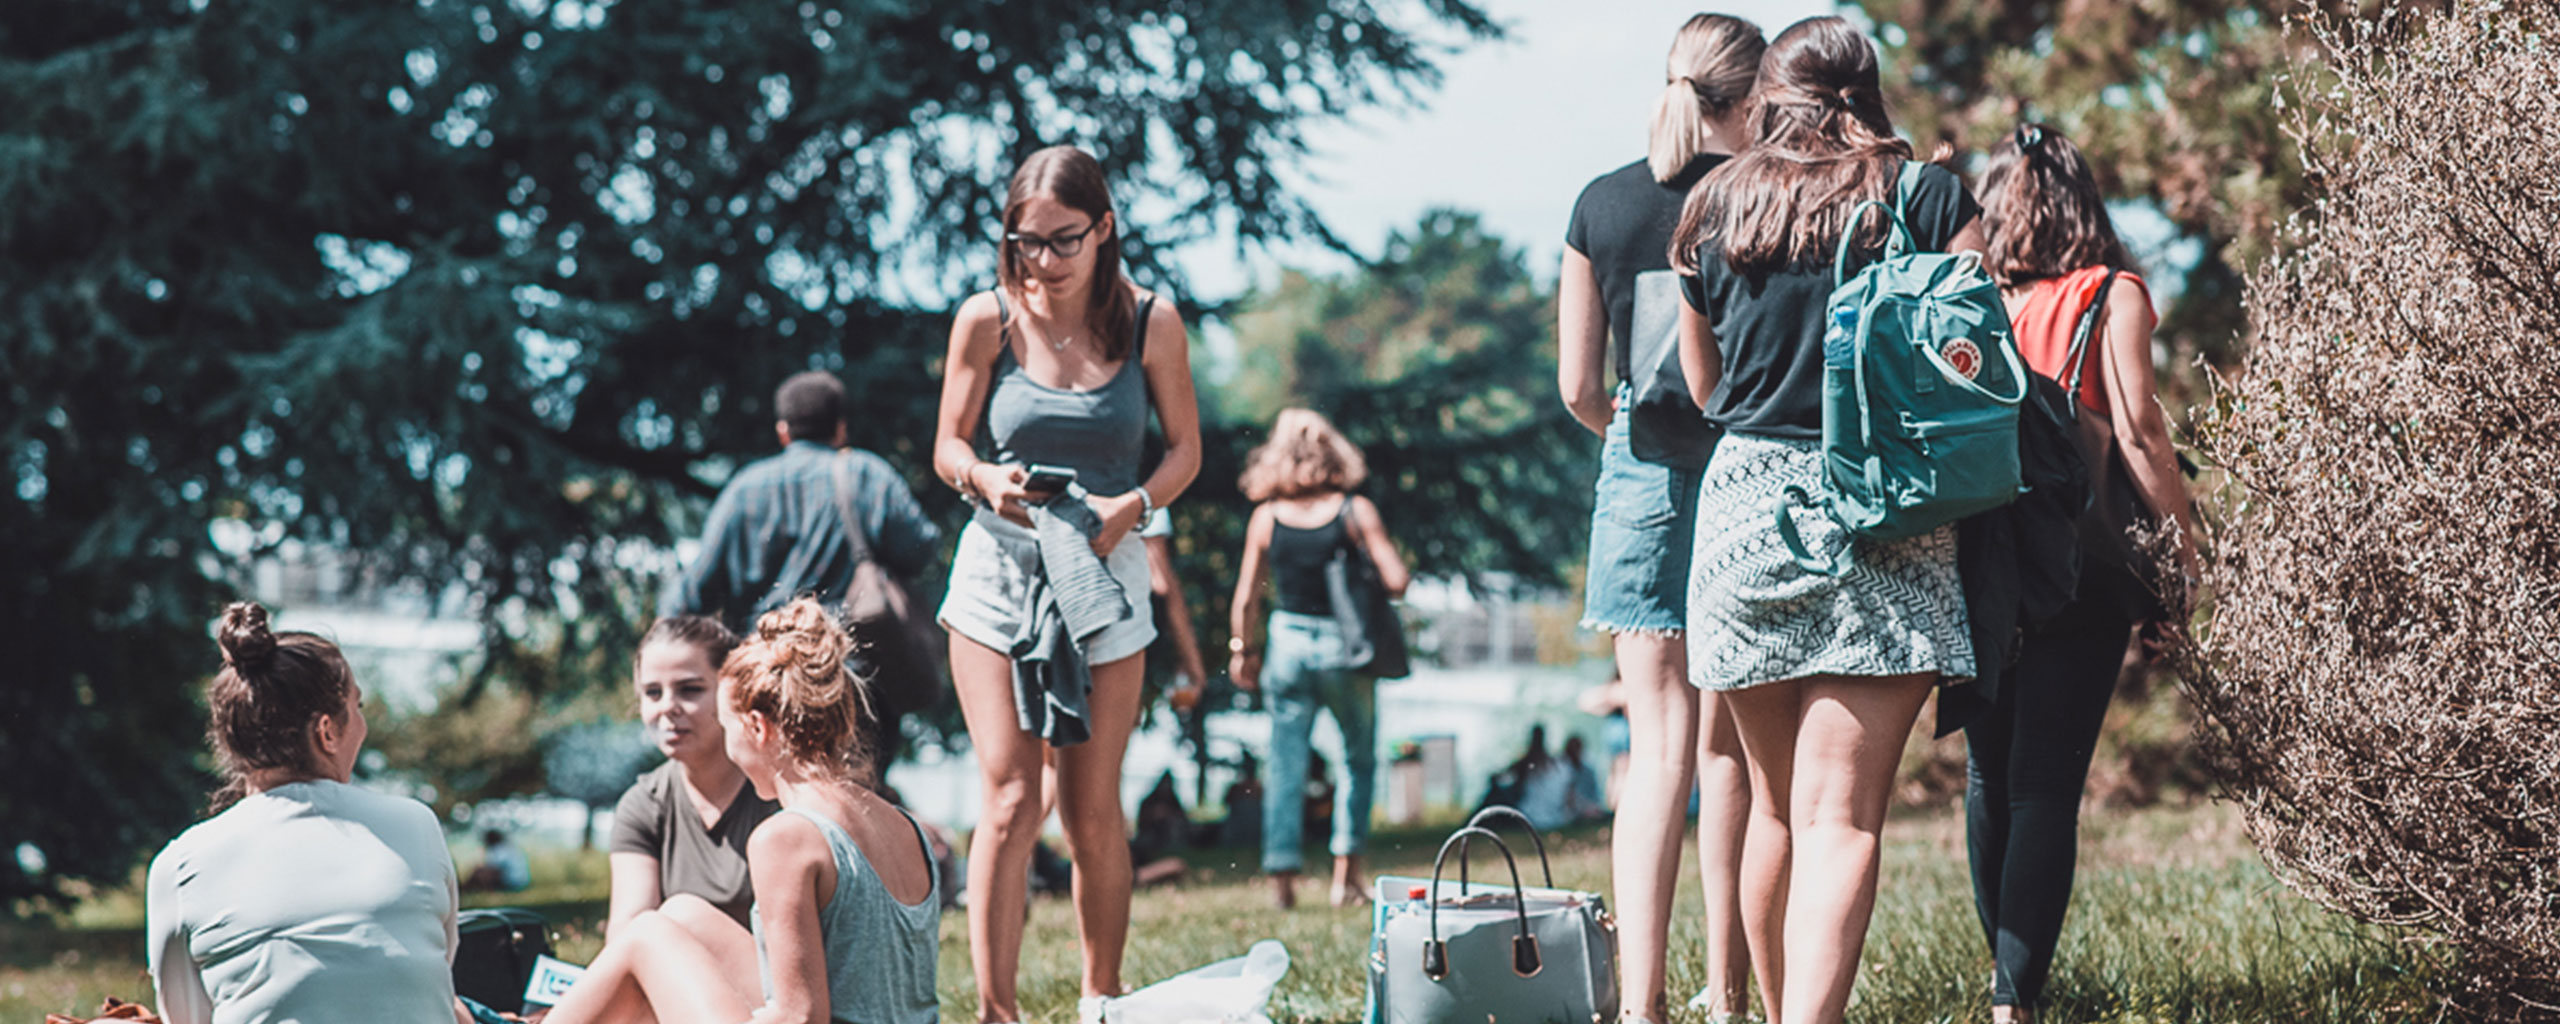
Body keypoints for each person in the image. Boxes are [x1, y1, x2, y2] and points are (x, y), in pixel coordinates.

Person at [1668, 17, 1987, 1024]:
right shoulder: (1926, 195)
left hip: (1743, 507)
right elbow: (1984, 356)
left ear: (1770, 93)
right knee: (1840, 817)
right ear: (1867, 88)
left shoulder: (1712, 202)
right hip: (1881, 504)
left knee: (1773, 809)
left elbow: (1703, 382)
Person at [930, 143, 1203, 1024]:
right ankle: (996, 1011)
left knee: (1092, 805)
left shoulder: (1152, 321)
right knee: (1011, 796)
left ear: (1105, 229)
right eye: (1023, 241)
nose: (1041, 260)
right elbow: (948, 447)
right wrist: (985, 480)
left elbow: (1186, 452)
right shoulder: (986, 319)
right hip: (996, 572)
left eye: (1062, 240)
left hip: (1106, 571)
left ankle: (1102, 999)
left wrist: (1137, 506)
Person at [1963, 123, 2201, 1024]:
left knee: (1992, 781)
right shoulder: (2113, 294)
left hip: (1984, 559)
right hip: (2078, 567)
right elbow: (2141, 437)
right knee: (2043, 788)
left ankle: (2006, 981)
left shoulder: (1972, 296)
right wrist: (2181, 558)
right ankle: (2014, 1001)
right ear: (2083, 201)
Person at [1556, 13, 1766, 1023]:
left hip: (1639, 466)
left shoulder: (1600, 202)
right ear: (1756, 89)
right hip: (1745, 467)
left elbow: (1573, 385)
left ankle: (1638, 1005)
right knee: (1726, 745)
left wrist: (1629, 431)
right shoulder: (1763, 200)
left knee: (1656, 742)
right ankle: (1725, 994)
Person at [541, 599, 940, 1024]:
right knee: (682, 914)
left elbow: (801, 1018)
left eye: (728, 726)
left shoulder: (784, 837)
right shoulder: (904, 823)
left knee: (645, 934)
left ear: (756, 727)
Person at [146, 603, 461, 1024]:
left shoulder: (181, 865)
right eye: (359, 706)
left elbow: (185, 1017)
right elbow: (433, 972)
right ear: (327, 732)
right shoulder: (415, 825)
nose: (364, 726)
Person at [660, 369, 941, 773]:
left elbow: (691, 595)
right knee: (853, 801)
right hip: (851, 680)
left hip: (765, 682)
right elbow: (920, 548)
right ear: (840, 428)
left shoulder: (743, 490)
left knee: (773, 801)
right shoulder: (866, 475)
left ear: (783, 431)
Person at [1226, 408, 1410, 910]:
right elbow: (1396, 580)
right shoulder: (1356, 511)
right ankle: (1346, 878)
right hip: (1343, 648)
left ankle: (1282, 884)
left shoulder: (1266, 517)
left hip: (1286, 643)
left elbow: (1247, 596)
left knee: (1284, 766)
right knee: (1356, 760)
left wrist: (1243, 651)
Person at [607, 615, 779, 939]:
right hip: (679, 983)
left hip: (776, 983)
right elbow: (627, 933)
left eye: (690, 690)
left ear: (734, 692)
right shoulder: (643, 804)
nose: (668, 707)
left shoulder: (780, 793)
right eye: (653, 693)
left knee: (682, 916)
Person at [464, 829, 532, 893]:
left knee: (480, 871)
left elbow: (490, 867)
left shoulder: (498, 848)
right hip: (522, 882)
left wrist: (483, 853)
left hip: (513, 883)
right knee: (482, 870)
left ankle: (466, 888)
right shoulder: (509, 847)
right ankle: (467, 888)